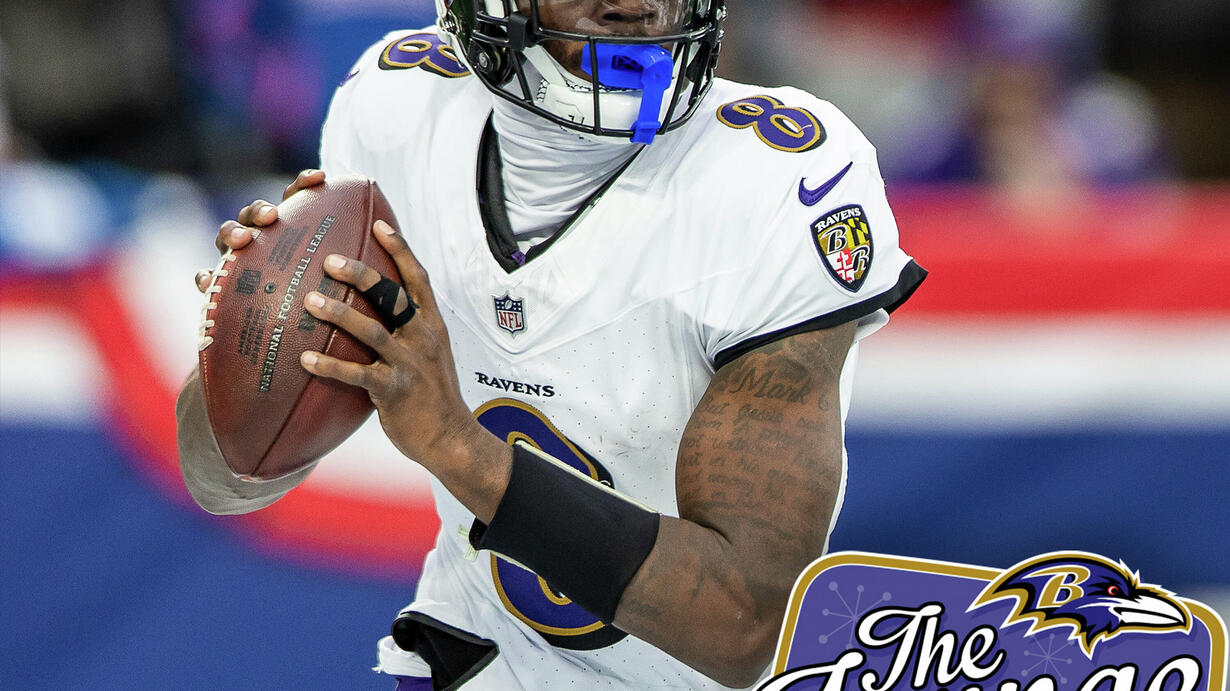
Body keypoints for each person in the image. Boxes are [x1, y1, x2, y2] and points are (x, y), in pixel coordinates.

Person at [177, 0, 926, 687]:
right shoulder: (398, 105)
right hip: (481, 660)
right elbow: (224, 480)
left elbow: (743, 624)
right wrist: (246, 332)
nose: (637, 6)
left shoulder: (776, 179)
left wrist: (456, 446)